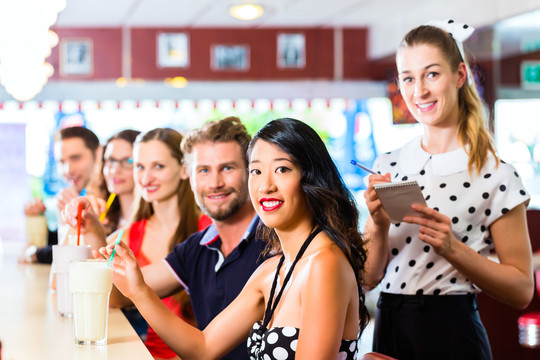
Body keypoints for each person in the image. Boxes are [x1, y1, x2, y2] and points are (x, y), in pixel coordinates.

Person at [101, 117, 369, 360]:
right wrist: (138, 290)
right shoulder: (273, 269)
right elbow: (203, 347)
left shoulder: (324, 264)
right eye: (256, 171)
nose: (266, 186)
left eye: (282, 169)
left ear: (310, 178)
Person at [363, 20, 534, 360]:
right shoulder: (388, 164)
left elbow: (522, 290)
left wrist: (453, 248)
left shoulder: (497, 174)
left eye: (431, 74)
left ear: (458, 76)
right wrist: (378, 226)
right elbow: (368, 279)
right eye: (408, 78)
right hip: (389, 325)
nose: (418, 91)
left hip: (453, 331)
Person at [67, 117, 265, 360]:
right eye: (204, 170)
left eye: (227, 168)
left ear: (250, 171)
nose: (215, 183)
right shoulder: (198, 247)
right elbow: (117, 294)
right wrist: (93, 229)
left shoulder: (275, 244)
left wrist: (138, 291)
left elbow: (204, 349)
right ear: (190, 176)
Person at [22, 126, 101, 264]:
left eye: (76, 158)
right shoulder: (80, 194)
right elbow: (63, 243)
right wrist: (39, 217)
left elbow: (87, 254)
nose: (68, 169)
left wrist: (35, 253)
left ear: (98, 154)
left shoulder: (111, 197)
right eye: (61, 162)